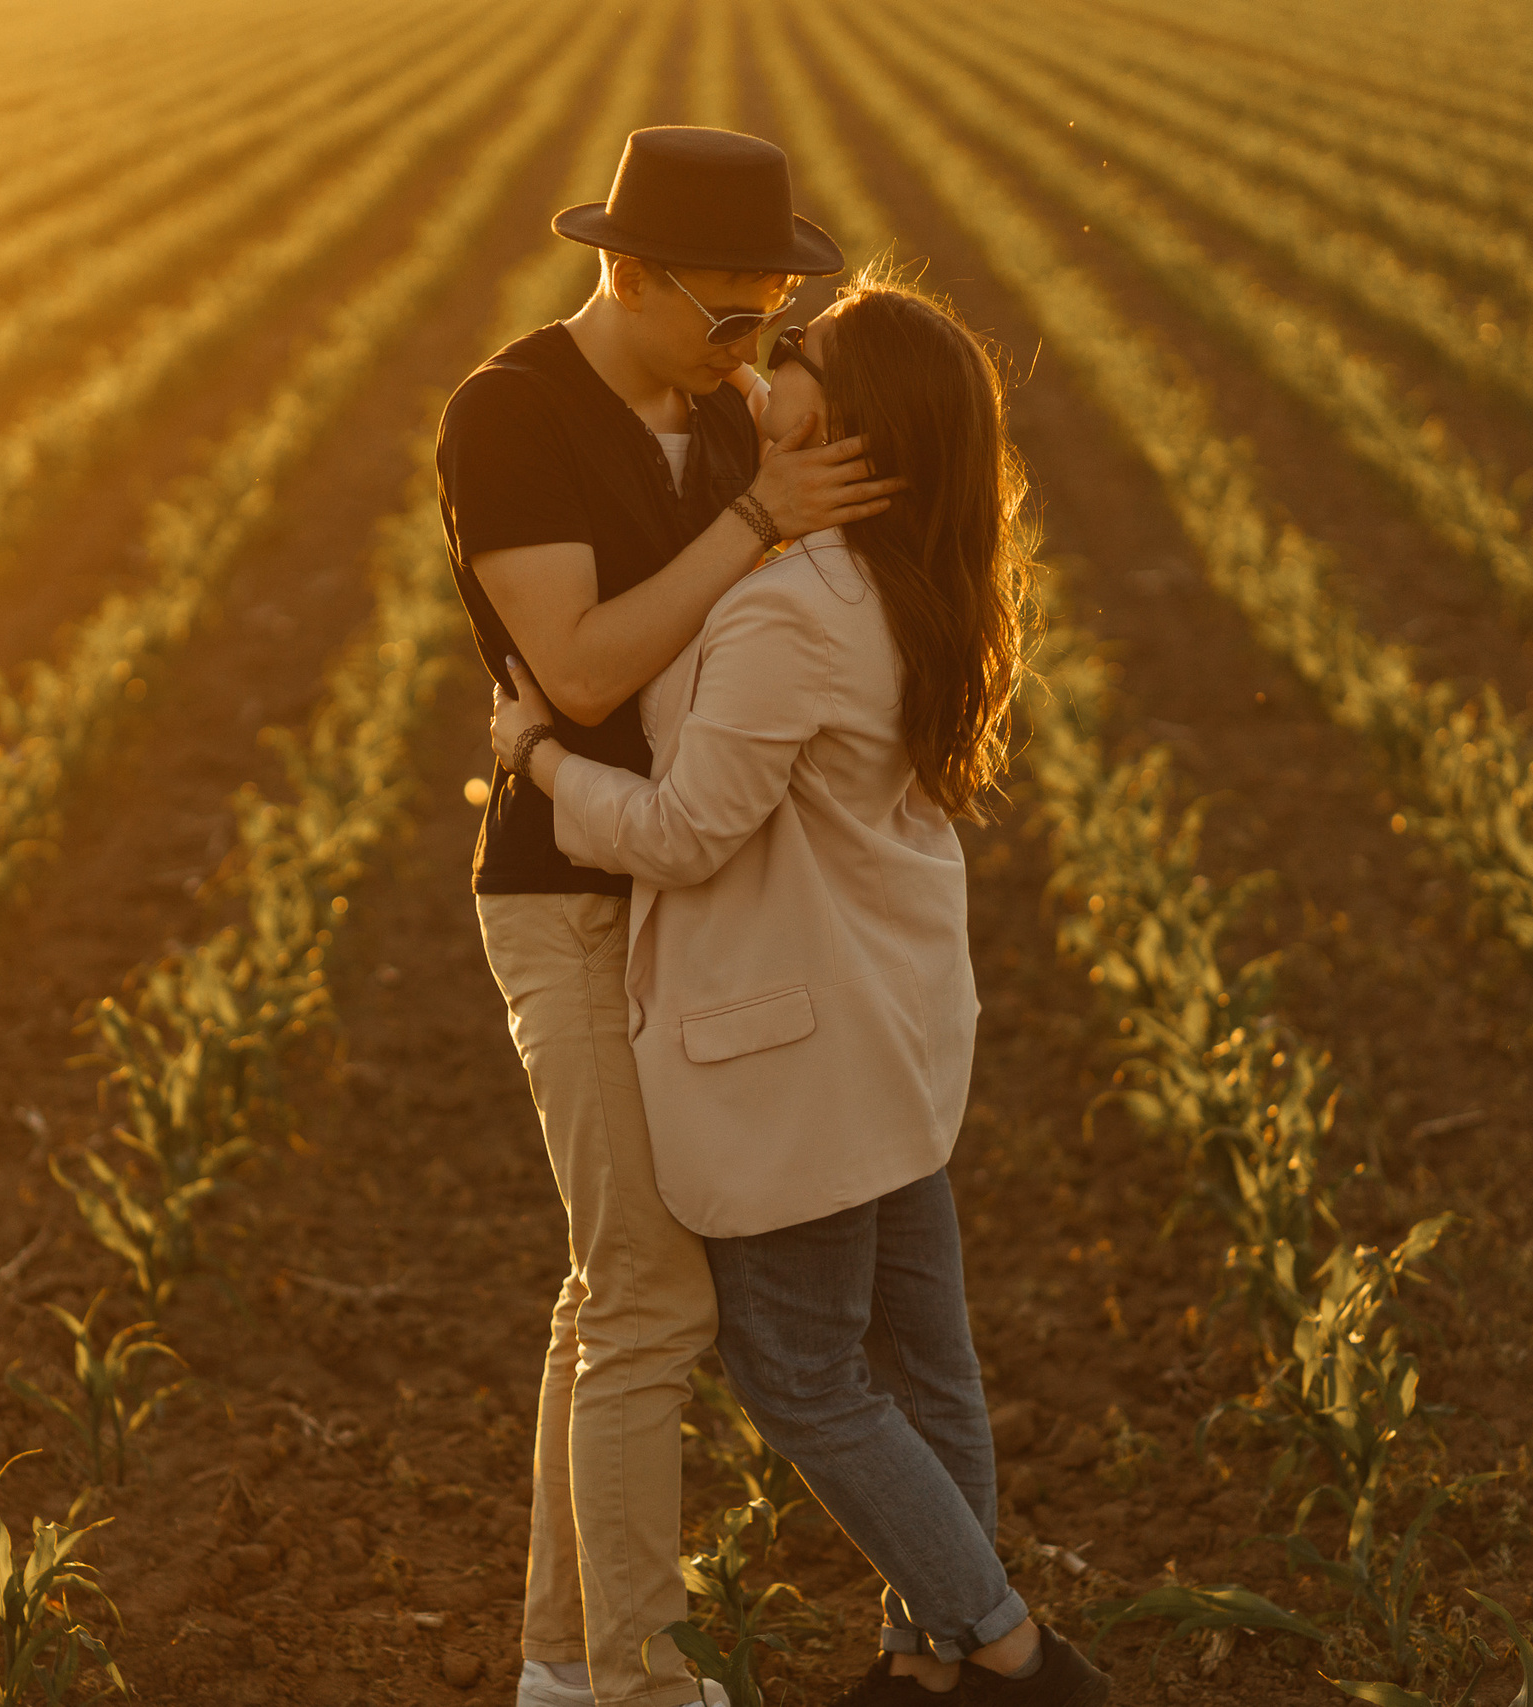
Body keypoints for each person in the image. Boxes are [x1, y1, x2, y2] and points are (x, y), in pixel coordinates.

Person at [486, 274, 1115, 1706]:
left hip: (794, 1046)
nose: (763, 365)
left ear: (852, 420)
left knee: (799, 1373)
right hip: (896, 1020)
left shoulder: (793, 610)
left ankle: (1012, 1654)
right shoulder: (913, 576)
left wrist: (536, 755)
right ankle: (930, 1669)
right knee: (929, 1362)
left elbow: (682, 832)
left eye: (799, 353)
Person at [436, 126, 904, 1707]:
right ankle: (640, 1682)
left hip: (697, 892)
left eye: (774, 313)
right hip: (567, 892)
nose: (753, 344)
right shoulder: (510, 414)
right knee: (650, 1290)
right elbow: (577, 672)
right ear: (625, 275)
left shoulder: (721, 408)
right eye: (729, 312)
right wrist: (756, 519)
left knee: (613, 1288)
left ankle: (563, 1668)